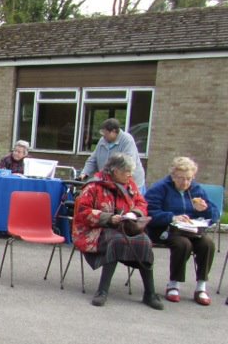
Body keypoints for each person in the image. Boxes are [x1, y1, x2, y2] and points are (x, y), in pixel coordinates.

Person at [72, 152, 163, 309]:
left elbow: (141, 203)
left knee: (145, 242)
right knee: (115, 241)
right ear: (115, 171)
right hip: (97, 229)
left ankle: (150, 293)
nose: (130, 175)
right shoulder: (94, 186)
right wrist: (108, 217)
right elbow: (82, 212)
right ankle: (102, 291)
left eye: (130, 172)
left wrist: (134, 213)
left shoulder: (130, 185)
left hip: (125, 227)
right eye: (126, 171)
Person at [145, 157, 219, 306]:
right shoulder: (160, 188)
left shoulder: (196, 190)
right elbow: (149, 212)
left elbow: (214, 215)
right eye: (181, 178)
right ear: (173, 176)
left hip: (191, 230)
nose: (185, 183)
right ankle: (174, 284)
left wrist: (206, 210)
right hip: (165, 230)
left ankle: (201, 286)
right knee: (183, 244)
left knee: (207, 244)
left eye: (189, 179)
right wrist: (172, 217)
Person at [80, 118, 145, 191]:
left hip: (130, 185)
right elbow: (93, 159)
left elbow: (127, 164)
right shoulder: (102, 140)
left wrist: (109, 176)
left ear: (114, 132)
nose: (103, 136)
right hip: (109, 183)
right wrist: (85, 173)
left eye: (105, 133)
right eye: (102, 133)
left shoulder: (127, 140)